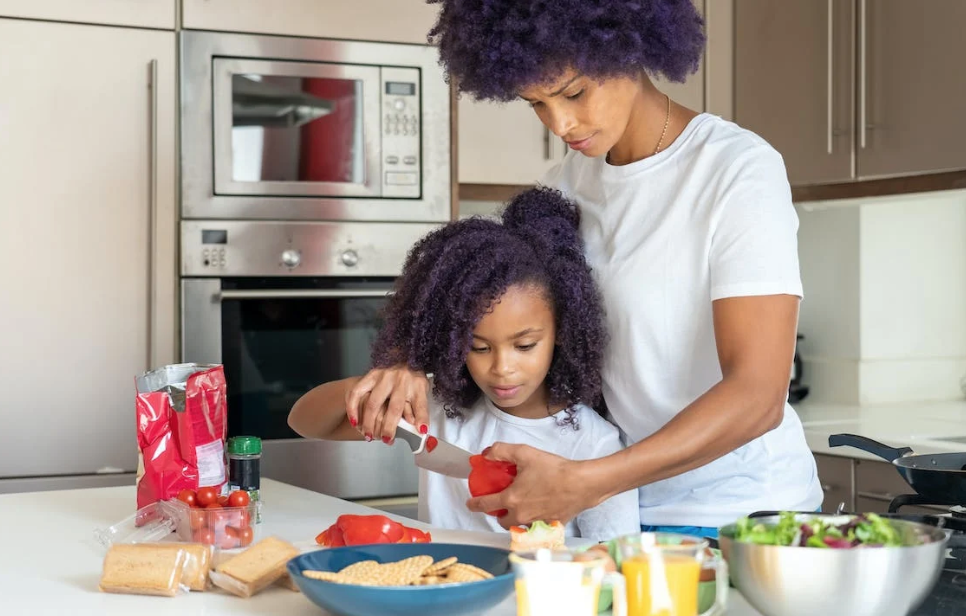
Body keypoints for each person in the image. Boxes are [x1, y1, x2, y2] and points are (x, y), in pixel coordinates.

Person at [344, 0, 824, 539]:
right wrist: (405, 358)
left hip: (739, 514)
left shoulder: (735, 170)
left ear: (629, 46)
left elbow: (758, 397)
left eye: (574, 93)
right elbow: (480, 287)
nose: (561, 123)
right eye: (536, 105)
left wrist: (589, 480)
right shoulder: (567, 184)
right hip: (620, 509)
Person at [288, 187, 641, 542]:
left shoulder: (595, 446)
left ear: (562, 331)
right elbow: (305, 423)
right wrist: (362, 388)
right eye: (479, 347)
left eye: (524, 345)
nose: (502, 367)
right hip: (437, 588)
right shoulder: (439, 410)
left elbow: (613, 558)